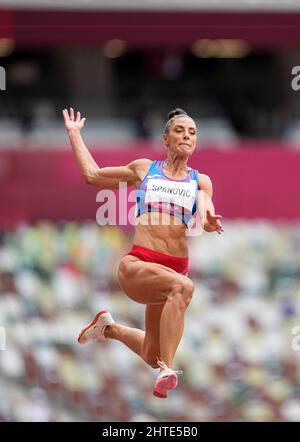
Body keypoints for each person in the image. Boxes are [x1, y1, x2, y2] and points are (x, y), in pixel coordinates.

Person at [62, 107, 224, 398]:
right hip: (139, 265)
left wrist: (210, 221)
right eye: (179, 130)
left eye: (192, 132)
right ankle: (168, 369)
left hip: (169, 275)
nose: (186, 136)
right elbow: (92, 175)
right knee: (183, 287)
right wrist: (74, 134)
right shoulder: (145, 169)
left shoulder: (200, 181)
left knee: (151, 354)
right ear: (165, 137)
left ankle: (107, 329)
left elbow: (206, 206)